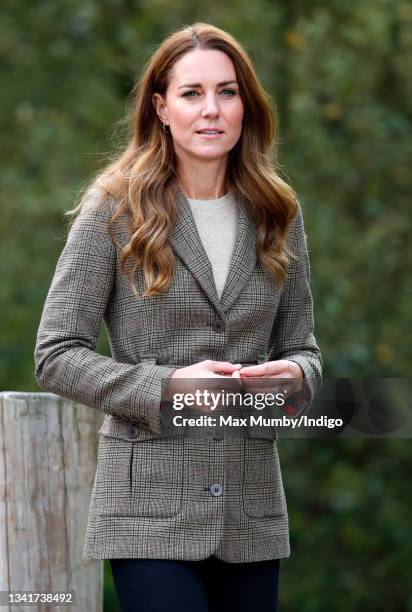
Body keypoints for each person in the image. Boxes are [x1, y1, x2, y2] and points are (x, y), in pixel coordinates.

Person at [34, 22, 322, 612]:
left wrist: (295, 377)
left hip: (251, 508)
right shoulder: (114, 211)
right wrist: (167, 386)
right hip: (147, 510)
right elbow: (56, 353)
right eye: (192, 93)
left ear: (247, 105)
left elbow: (305, 349)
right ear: (161, 108)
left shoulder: (278, 213)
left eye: (227, 91)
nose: (211, 110)